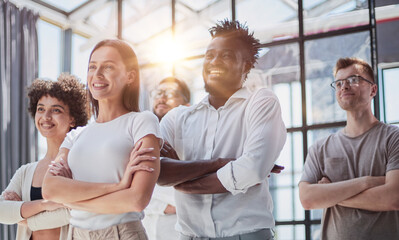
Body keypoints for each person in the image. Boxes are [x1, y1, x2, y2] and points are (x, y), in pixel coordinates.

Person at [158, 19, 287, 240]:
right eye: (209, 55)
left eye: (226, 55)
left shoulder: (261, 103)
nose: (214, 61)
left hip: (246, 235)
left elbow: (252, 170)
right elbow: (158, 171)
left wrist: (182, 182)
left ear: (245, 65)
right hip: (190, 235)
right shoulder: (177, 118)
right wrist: (221, 164)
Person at [42, 39, 162, 240]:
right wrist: (118, 187)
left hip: (121, 233)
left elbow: (136, 199)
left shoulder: (141, 122)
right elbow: (50, 189)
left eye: (108, 67)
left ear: (130, 76)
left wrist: (71, 201)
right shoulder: (75, 136)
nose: (97, 75)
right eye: (92, 67)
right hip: (75, 235)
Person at [299, 57, 399, 239]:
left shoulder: (394, 138)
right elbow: (307, 199)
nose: (344, 86)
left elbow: (393, 198)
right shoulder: (320, 148)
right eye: (338, 83)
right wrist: (367, 182)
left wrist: (330, 194)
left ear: (373, 89)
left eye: (353, 80)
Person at [0, 74, 89, 240]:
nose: (46, 117)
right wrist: (45, 205)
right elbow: (1, 211)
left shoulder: (80, 166)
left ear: (72, 119)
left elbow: (74, 212)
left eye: (56, 110)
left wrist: (23, 217)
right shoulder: (26, 172)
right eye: (41, 109)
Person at [143, 76, 191, 240]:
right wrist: (162, 205)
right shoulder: (138, 139)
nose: (162, 98)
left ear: (187, 105)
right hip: (145, 232)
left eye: (170, 93)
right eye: (158, 93)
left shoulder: (195, 140)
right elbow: (127, 192)